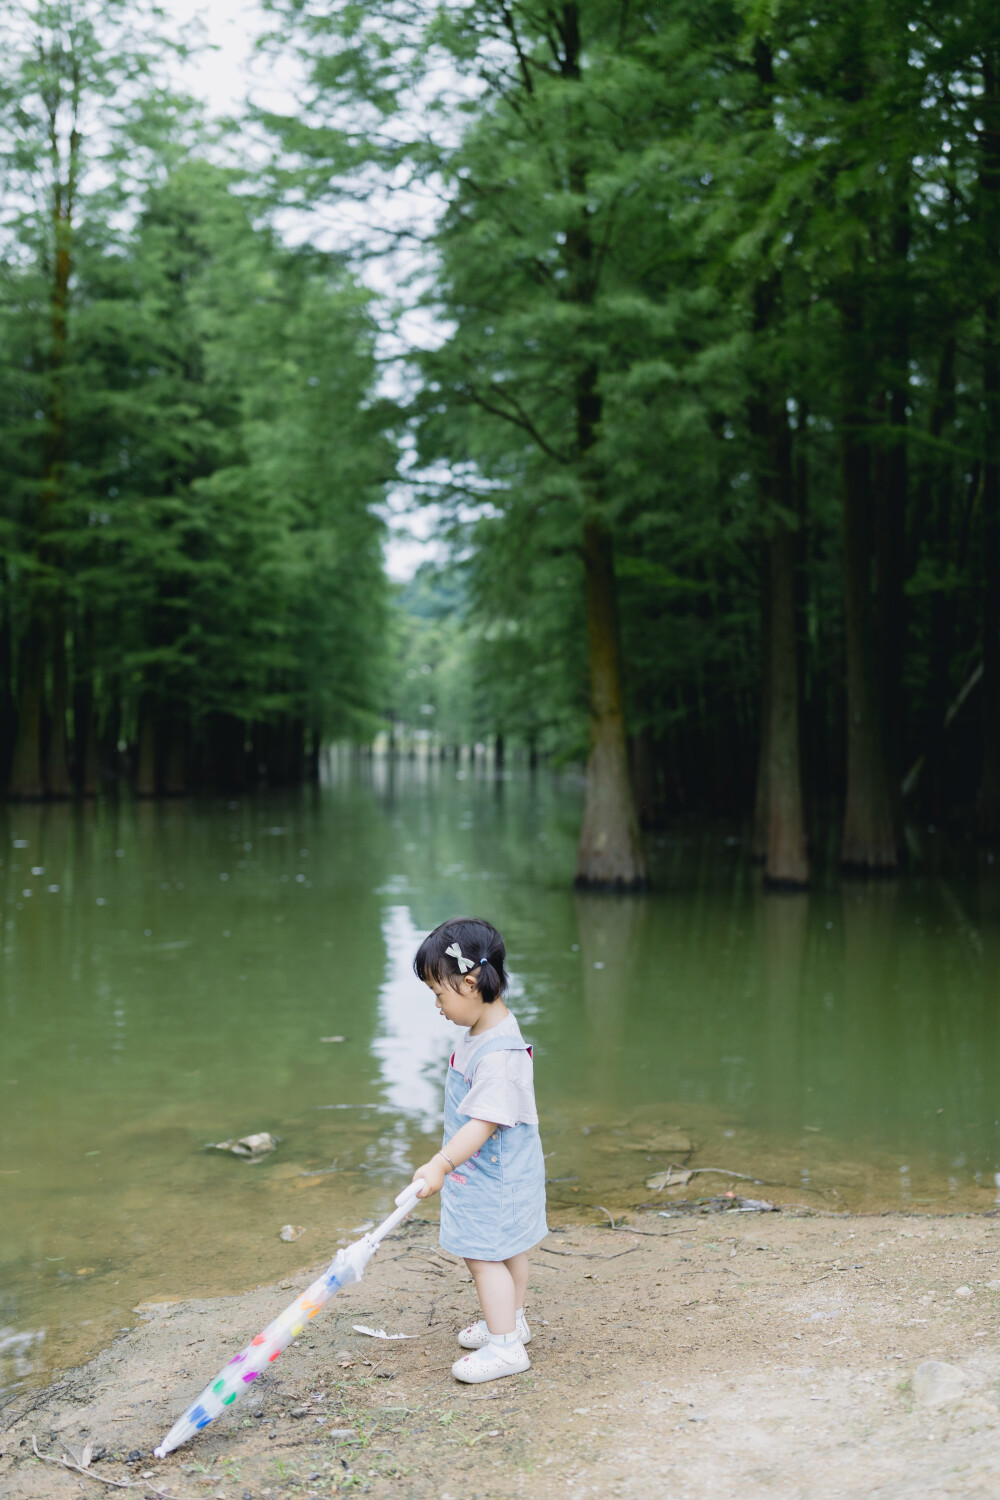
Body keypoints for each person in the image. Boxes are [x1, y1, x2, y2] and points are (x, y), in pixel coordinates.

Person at [411, 916, 547, 1383]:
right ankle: (513, 1320)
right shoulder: (485, 1035)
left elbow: (484, 1122)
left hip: (496, 1175)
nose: (438, 1006)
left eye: (439, 994)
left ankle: (506, 1347)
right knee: (507, 1249)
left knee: (484, 1254)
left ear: (470, 984)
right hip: (502, 1171)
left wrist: (441, 1163)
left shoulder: (498, 1057)